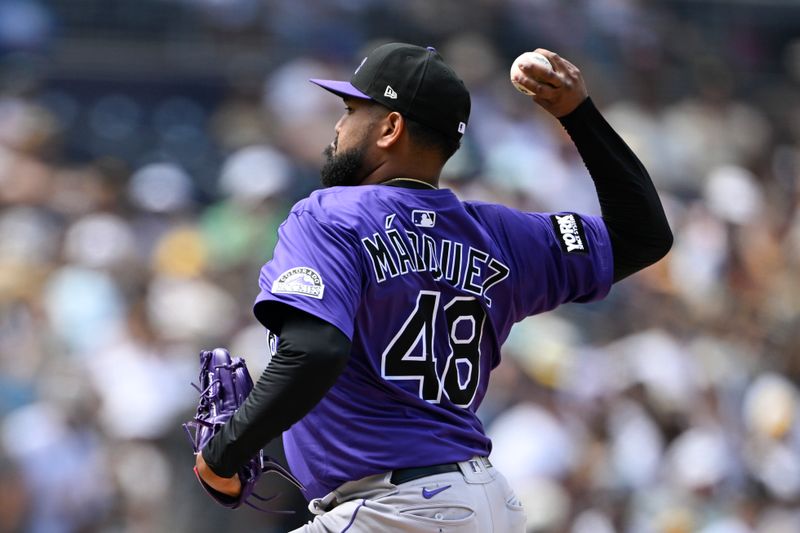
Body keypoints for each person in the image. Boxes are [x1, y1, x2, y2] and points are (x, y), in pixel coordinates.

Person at [193, 42, 672, 532]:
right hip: (485, 504)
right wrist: (578, 115)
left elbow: (314, 350)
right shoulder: (501, 235)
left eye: (351, 110)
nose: (338, 126)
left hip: (396, 509)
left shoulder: (331, 215)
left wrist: (224, 452)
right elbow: (642, 237)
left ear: (390, 128)